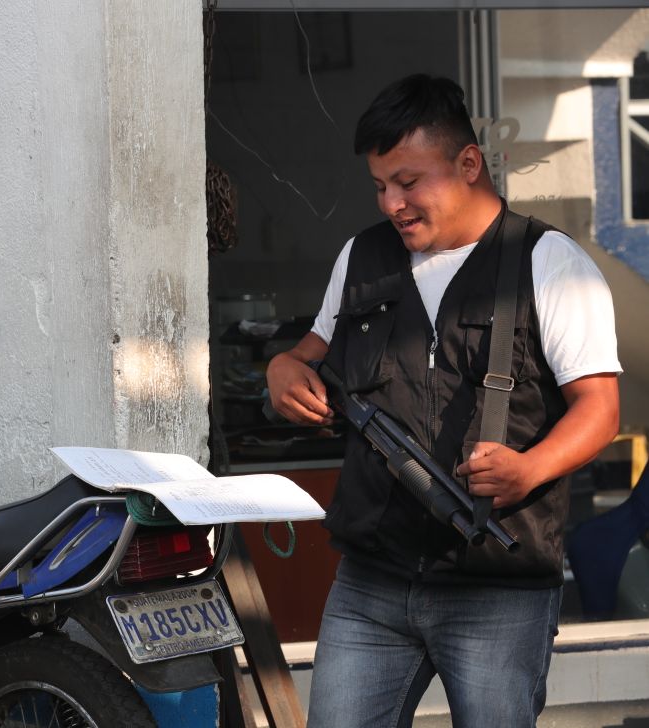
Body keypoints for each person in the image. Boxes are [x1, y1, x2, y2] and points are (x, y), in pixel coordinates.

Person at [266, 74, 621, 727]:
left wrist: (531, 469)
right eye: (379, 186)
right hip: (371, 580)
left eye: (408, 182)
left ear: (468, 163)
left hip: (496, 586)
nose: (392, 204)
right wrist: (283, 369)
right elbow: (308, 350)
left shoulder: (550, 263)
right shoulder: (362, 255)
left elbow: (599, 407)